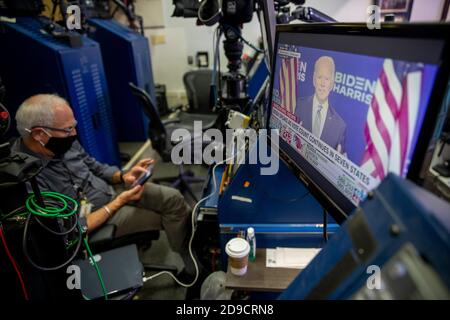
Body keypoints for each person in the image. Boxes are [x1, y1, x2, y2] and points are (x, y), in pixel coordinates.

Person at [12, 94, 198, 281]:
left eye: (73, 126)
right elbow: (68, 230)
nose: (74, 134)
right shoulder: (25, 178)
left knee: (173, 198)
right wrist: (118, 203)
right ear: (39, 134)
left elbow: (95, 166)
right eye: (68, 129)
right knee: (174, 216)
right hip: (96, 220)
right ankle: (193, 270)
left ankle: (194, 257)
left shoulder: (63, 142)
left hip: (110, 193)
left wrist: (123, 175)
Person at [295, 56, 347, 153]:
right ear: (314, 79)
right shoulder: (298, 105)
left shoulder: (340, 126)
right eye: (319, 77)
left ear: (331, 83)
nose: (322, 84)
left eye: (327, 79)